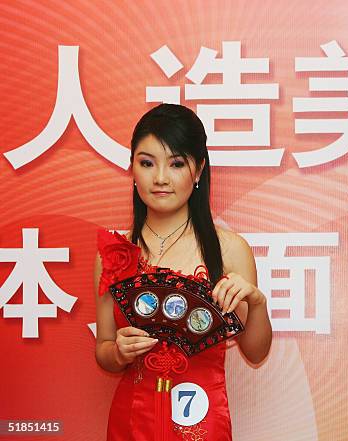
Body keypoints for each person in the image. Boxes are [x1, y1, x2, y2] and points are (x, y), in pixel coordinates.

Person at [94, 104, 272, 441]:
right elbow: (103, 349)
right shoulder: (114, 253)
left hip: (203, 424)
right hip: (131, 423)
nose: (160, 177)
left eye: (176, 164)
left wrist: (258, 303)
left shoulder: (229, 249)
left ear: (198, 170)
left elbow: (256, 352)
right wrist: (117, 352)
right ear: (132, 168)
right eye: (147, 163)